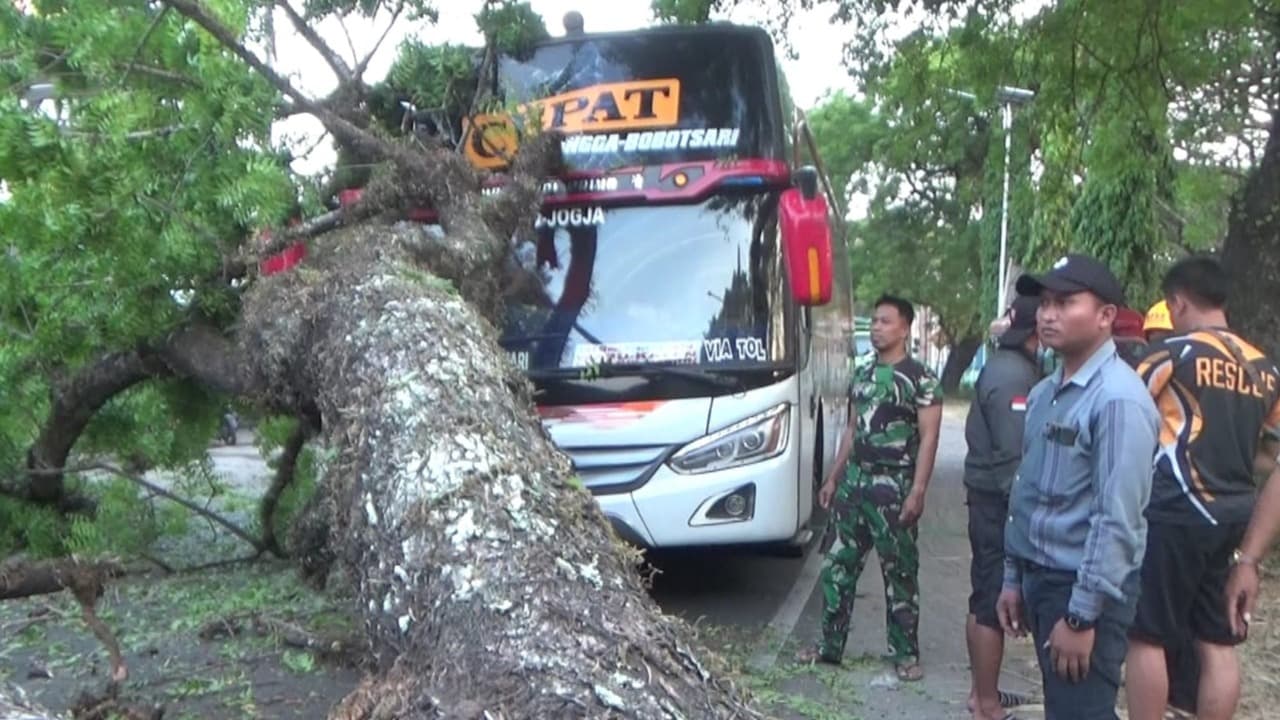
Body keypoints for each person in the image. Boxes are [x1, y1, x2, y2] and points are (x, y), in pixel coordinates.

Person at [996, 254, 1159, 720]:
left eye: (1065, 302)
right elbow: (1029, 491)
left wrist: (1082, 615)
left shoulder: (1118, 399)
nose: (1048, 314)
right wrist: (1013, 577)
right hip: (1042, 579)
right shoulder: (1049, 392)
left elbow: (1117, 519)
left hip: (1084, 589)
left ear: (1106, 316)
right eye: (1044, 302)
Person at [1125, 256, 1280, 720]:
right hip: (1232, 521)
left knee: (1147, 636)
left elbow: (1120, 411)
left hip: (1172, 512)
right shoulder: (1266, 371)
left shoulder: (1172, 354)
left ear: (1177, 302)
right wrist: (1251, 557)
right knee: (1217, 641)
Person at [801, 294, 943, 682]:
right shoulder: (862, 372)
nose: (877, 328)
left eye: (884, 321)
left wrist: (918, 490)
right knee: (836, 569)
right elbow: (852, 428)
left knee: (899, 574)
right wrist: (833, 477)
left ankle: (905, 654)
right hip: (854, 487)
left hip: (893, 488)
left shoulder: (921, 379)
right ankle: (829, 647)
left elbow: (929, 438)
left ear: (905, 328)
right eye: (874, 321)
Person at [964, 293, 1041, 720]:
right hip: (999, 503)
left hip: (990, 497)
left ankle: (983, 694)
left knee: (984, 595)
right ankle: (986, 703)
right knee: (991, 598)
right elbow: (1015, 457)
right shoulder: (1014, 377)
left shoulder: (1011, 367)